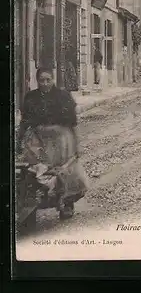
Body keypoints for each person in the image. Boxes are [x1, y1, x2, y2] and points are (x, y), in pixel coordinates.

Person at [16, 67, 88, 220]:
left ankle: (67, 203)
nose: (45, 83)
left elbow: (72, 123)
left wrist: (76, 144)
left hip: (60, 139)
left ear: (53, 80)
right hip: (39, 138)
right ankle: (32, 203)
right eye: (42, 80)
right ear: (37, 81)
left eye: (48, 80)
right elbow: (24, 122)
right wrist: (19, 142)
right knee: (35, 170)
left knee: (65, 170)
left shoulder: (63, 96)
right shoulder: (31, 97)